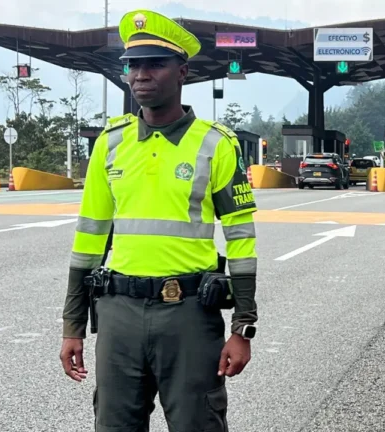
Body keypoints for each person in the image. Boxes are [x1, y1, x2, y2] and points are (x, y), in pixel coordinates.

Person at [58, 10, 259, 431]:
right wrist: (72, 325)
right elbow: (90, 238)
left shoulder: (215, 144)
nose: (140, 75)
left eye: (154, 63)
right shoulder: (110, 145)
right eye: (132, 64)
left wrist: (242, 326)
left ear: (182, 72)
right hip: (117, 315)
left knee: (196, 424)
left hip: (187, 314)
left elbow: (241, 239)